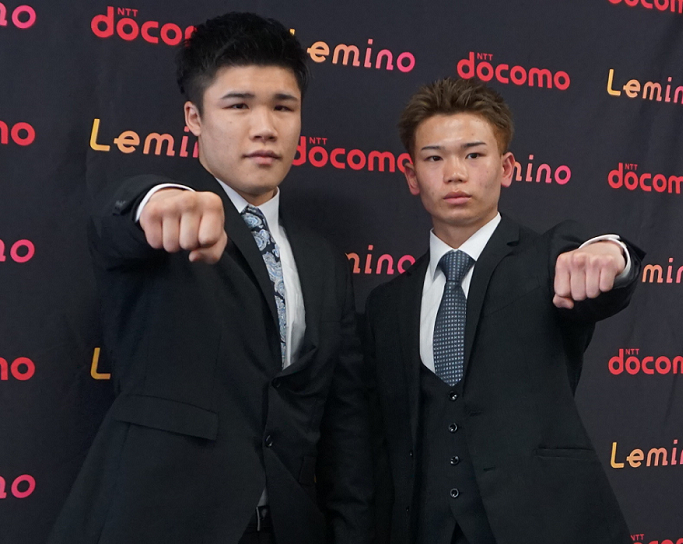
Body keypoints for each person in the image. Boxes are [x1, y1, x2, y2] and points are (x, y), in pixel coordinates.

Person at [49, 12, 372, 544]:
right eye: (238, 105)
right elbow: (118, 219)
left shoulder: (324, 261)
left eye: (283, 107)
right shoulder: (167, 218)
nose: (265, 127)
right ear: (194, 117)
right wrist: (156, 202)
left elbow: (345, 426)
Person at [364, 77, 642, 544]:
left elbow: (605, 275)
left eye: (474, 155)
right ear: (411, 176)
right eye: (434, 158)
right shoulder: (387, 304)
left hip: (544, 527)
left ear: (507, 168)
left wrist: (614, 255)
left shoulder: (549, 260)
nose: (455, 173)